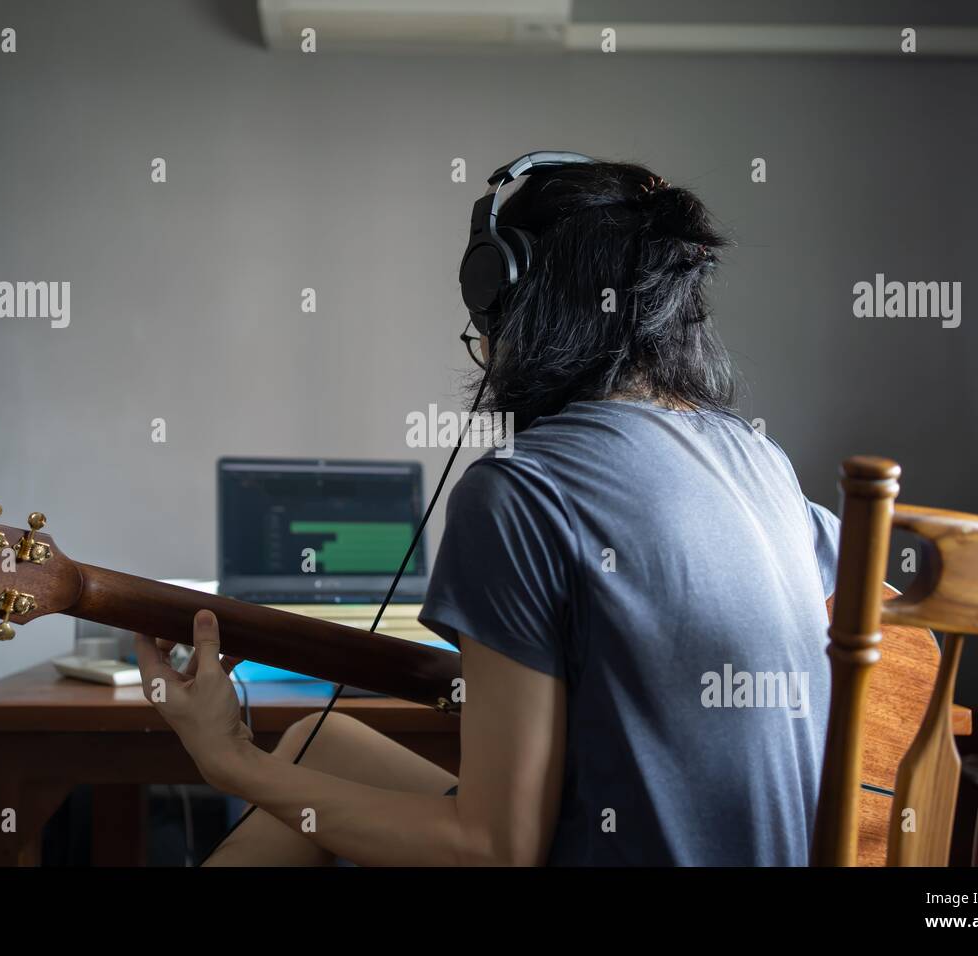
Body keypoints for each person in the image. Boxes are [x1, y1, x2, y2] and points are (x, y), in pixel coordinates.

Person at [135, 156, 841, 865]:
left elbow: (493, 850)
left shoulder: (521, 489)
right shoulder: (760, 462)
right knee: (323, 743)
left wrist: (229, 760)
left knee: (284, 771)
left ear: (505, 295)